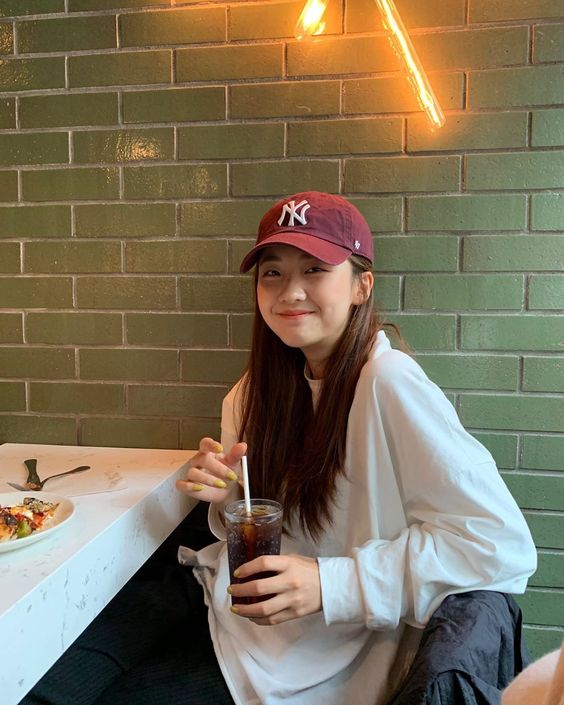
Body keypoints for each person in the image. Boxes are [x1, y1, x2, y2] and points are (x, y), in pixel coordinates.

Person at [23, 191, 537, 705]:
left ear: (361, 286)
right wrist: (224, 496)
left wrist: (332, 584)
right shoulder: (254, 391)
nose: (291, 292)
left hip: (325, 654)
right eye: (273, 273)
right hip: (235, 610)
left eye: (315, 270)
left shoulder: (389, 382)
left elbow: (497, 545)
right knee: (45, 677)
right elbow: (261, 522)